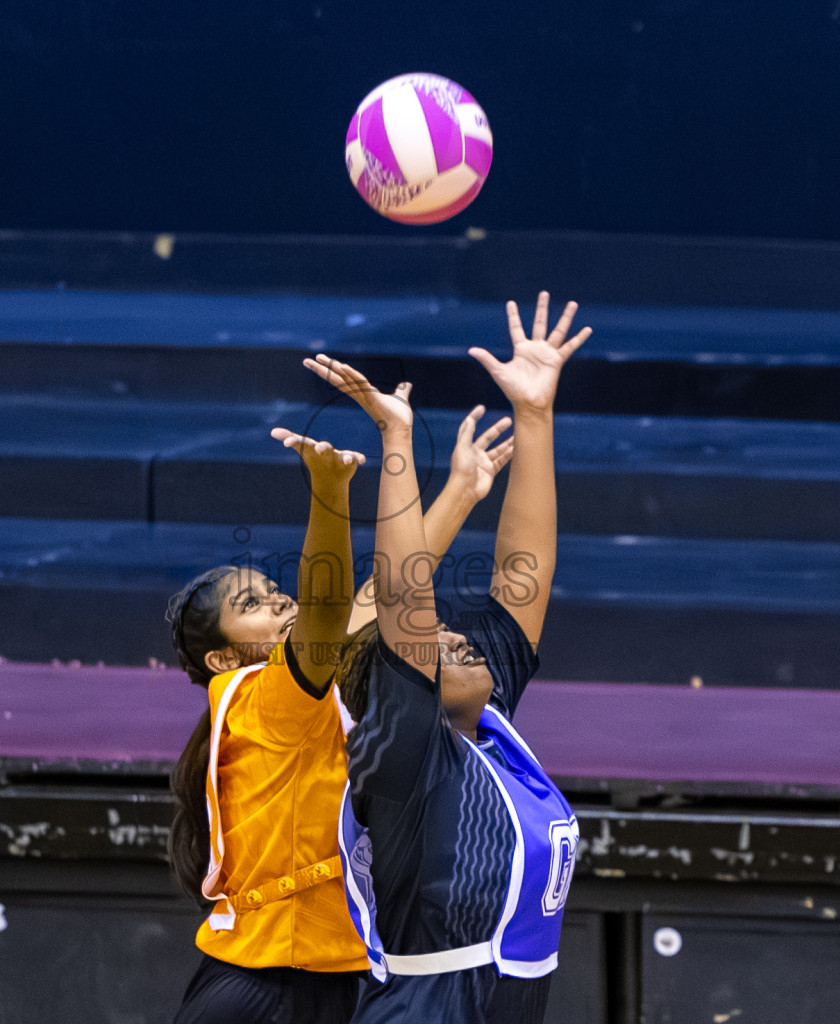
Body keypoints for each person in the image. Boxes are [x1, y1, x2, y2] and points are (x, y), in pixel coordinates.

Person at [165, 407, 515, 1024]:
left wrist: (463, 486)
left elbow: (387, 591)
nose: (279, 602)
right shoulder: (259, 694)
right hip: (269, 985)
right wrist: (330, 494)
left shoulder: (311, 682)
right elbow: (328, 609)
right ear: (222, 656)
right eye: (254, 605)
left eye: (276, 594)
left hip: (329, 976)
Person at [312, 292, 590, 1024]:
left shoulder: (492, 732)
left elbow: (523, 577)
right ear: (397, 682)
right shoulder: (403, 755)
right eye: (435, 641)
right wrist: (397, 445)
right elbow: (406, 595)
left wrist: (534, 416)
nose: (456, 636)